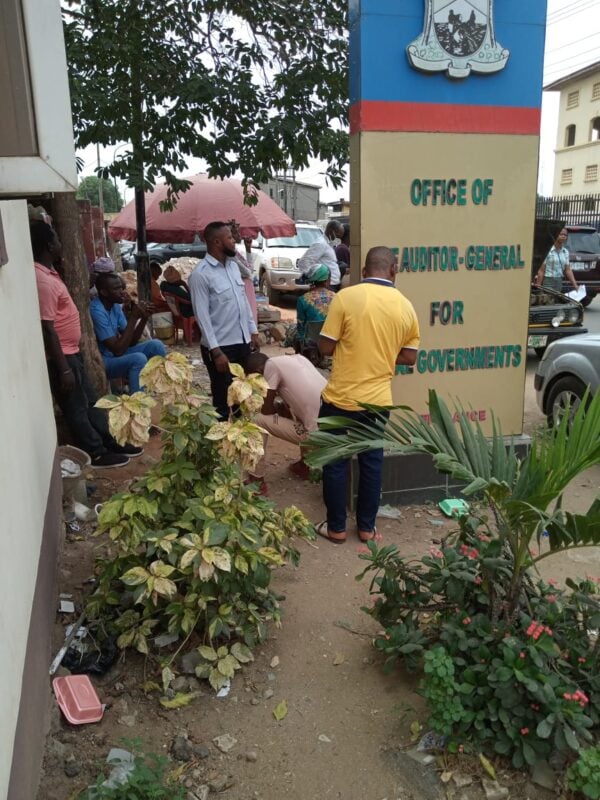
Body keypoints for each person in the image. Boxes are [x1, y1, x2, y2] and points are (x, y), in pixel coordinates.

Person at [316, 246, 421, 544]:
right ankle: (366, 528)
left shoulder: (346, 298)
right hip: (377, 402)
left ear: (363, 271)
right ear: (393, 270)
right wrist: (384, 353)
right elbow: (410, 357)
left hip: (340, 398)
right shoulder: (406, 307)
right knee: (372, 464)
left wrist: (352, 347)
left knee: (335, 463)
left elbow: (325, 347)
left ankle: (336, 528)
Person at [30, 221, 138, 468]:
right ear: (49, 245)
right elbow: (47, 326)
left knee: (91, 401)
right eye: (57, 238)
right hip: (63, 358)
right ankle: (96, 452)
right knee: (76, 408)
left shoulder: (50, 273)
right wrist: (64, 368)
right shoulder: (42, 280)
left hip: (72, 353)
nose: (59, 243)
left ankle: (108, 442)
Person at [188, 221, 260, 419]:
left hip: (241, 342)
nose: (234, 241)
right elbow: (202, 317)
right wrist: (216, 351)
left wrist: (252, 330)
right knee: (221, 401)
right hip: (220, 348)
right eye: (230, 238)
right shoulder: (200, 275)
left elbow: (243, 301)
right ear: (217, 242)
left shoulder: (233, 266)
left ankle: (238, 443)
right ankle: (219, 446)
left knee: (241, 397)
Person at [245, 352, 327, 482]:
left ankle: (256, 480)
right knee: (295, 411)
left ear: (258, 372)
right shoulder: (297, 358)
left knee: (256, 419)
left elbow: (266, 410)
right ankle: (305, 465)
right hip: (331, 425)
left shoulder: (270, 367)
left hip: (317, 436)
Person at [90, 272, 167, 392]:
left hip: (116, 354)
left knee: (156, 345)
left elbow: (131, 342)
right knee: (138, 359)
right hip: (104, 360)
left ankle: (161, 389)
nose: (122, 292)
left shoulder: (114, 305)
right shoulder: (97, 310)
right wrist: (133, 318)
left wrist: (144, 318)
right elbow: (118, 350)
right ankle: (137, 403)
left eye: (121, 287)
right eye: (116, 289)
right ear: (104, 292)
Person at [297, 220, 344, 291]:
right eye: (337, 236)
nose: (338, 239)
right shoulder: (320, 243)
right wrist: (312, 279)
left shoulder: (328, 244)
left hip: (333, 283)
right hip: (326, 285)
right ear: (331, 231)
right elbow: (304, 262)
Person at [295, 264, 335, 345]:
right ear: (326, 280)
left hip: (310, 344)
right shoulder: (337, 297)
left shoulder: (303, 300)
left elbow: (300, 327)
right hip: (331, 342)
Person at [229, 220, 258, 324]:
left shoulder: (236, 252)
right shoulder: (231, 256)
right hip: (242, 287)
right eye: (236, 232)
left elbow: (250, 269)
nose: (239, 235)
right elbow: (248, 272)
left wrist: (248, 249)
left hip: (247, 287)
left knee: (250, 317)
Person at [534, 228, 578, 293]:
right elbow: (541, 271)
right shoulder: (548, 251)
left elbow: (568, 270)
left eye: (565, 235)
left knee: (556, 301)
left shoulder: (565, 252)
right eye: (561, 234)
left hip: (559, 281)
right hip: (548, 281)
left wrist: (575, 286)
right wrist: (538, 287)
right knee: (548, 301)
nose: (563, 236)